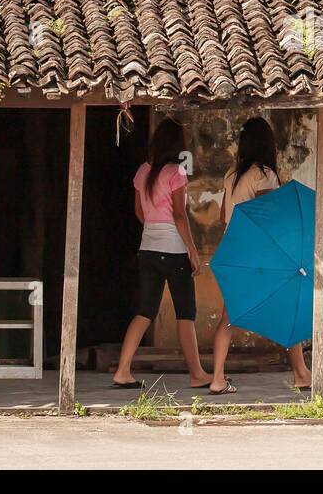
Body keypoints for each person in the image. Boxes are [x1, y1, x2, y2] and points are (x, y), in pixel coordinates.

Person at [207, 117, 312, 395]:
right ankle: (301, 374)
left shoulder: (232, 174)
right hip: (259, 253)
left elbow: (222, 216)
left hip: (234, 248)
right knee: (288, 306)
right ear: (268, 144)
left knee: (230, 315)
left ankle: (218, 377)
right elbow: (271, 215)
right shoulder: (264, 174)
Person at [112, 118, 212, 390]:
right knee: (185, 313)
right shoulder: (176, 173)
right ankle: (197, 374)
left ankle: (123, 370)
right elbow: (179, 216)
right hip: (174, 250)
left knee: (144, 311)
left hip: (147, 249)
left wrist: (154, 231)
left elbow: (139, 212)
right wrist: (192, 250)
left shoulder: (143, 171)